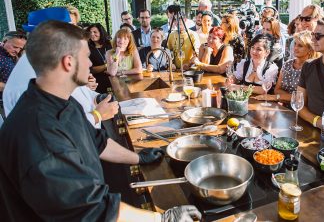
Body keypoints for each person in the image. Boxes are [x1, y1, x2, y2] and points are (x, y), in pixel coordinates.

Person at [0, 21, 200, 221]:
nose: (90, 64)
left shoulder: (62, 102)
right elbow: (91, 209)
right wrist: (162, 219)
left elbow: (98, 141)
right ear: (68, 62)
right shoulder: (40, 134)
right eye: (86, 57)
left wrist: (138, 158)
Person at [255, 31, 320, 104]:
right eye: (295, 44)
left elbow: (303, 98)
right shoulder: (287, 64)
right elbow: (277, 90)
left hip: (300, 109)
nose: (295, 48)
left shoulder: (312, 68)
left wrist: (277, 97)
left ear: (310, 49)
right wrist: (290, 97)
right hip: (282, 106)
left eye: (300, 46)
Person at [86, 23, 112, 93]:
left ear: (101, 32)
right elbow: (91, 69)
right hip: (98, 82)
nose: (92, 34)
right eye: (90, 32)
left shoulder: (110, 45)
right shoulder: (88, 48)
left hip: (113, 79)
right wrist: (107, 65)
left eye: (95, 32)